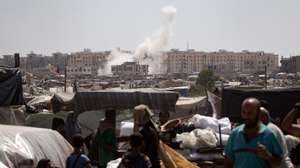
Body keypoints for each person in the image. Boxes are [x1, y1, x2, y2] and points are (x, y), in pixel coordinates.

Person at [224, 98, 283, 168]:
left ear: (258, 113)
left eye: (250, 113)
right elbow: (228, 162)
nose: (246, 116)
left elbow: (278, 163)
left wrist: (268, 156)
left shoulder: (269, 135)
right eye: (243, 112)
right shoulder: (235, 134)